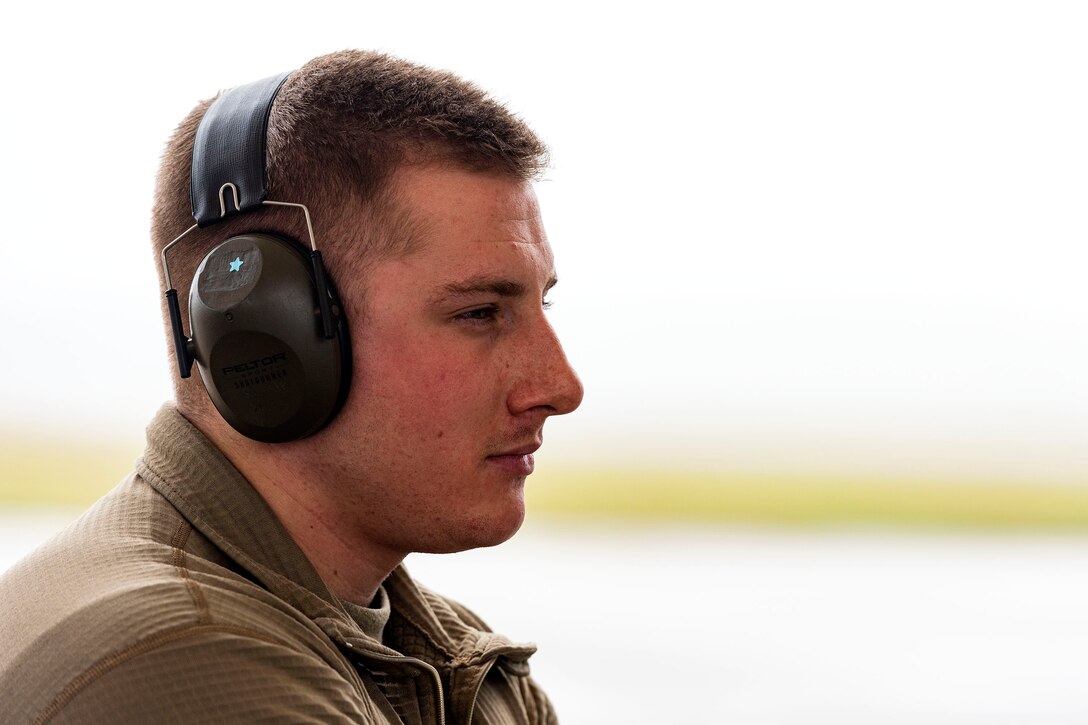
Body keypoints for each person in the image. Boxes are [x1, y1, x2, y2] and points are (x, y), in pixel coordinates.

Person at [0, 50, 583, 724]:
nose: (560, 387)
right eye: (480, 313)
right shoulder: (187, 662)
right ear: (268, 337)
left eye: (543, 303)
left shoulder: (443, 655)